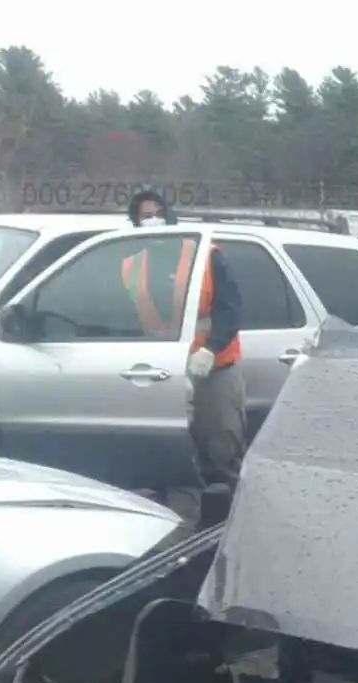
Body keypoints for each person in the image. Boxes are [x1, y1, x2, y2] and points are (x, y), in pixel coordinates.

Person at [124, 189, 244, 521]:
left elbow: (230, 311)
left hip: (213, 367)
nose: (152, 220)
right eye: (144, 215)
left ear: (170, 214)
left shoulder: (207, 255)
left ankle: (235, 522)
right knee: (175, 456)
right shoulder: (130, 264)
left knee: (220, 450)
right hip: (161, 372)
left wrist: (210, 349)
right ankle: (187, 525)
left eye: (157, 212)